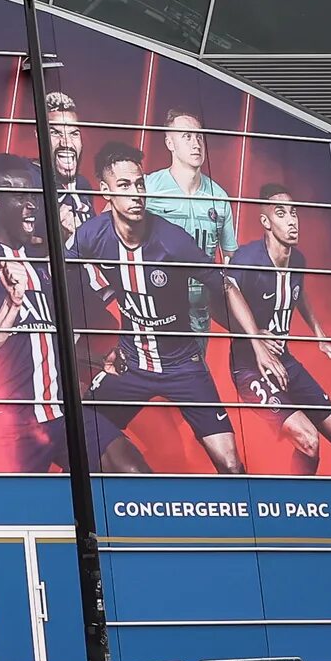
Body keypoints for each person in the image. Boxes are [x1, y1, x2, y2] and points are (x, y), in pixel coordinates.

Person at [68, 141, 251, 475]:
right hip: (131, 366)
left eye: (139, 184)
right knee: (76, 432)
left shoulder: (172, 240)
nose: (136, 193)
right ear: (105, 192)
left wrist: (257, 344)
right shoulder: (90, 237)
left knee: (230, 464)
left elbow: (225, 285)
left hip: (184, 366)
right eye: (124, 186)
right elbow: (56, 279)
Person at [0, 155, 129, 474]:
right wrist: (11, 303)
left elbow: (42, 337)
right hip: (10, 426)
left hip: (65, 413)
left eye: (33, 195)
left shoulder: (43, 256)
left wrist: (95, 360)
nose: (30, 204)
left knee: (136, 475)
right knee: (19, 520)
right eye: (20, 195)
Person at [225, 186, 331, 476]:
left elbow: (298, 292)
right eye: (281, 214)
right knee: (308, 440)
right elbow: (227, 290)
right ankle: (296, 508)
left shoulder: (298, 260)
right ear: (266, 222)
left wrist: (319, 335)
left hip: (286, 363)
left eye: (294, 213)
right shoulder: (248, 259)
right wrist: (256, 340)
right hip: (250, 369)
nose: (292, 220)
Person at [146, 109, 240, 327]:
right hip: (155, 308)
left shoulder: (219, 197)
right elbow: (110, 229)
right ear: (170, 143)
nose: (196, 144)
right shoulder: (148, 188)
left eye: (199, 136)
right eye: (186, 136)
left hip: (199, 315)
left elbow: (230, 257)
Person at [43, 92, 96, 242]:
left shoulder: (83, 185)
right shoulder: (30, 183)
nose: (66, 143)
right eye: (55, 133)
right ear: (38, 135)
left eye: (73, 133)